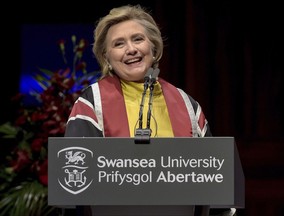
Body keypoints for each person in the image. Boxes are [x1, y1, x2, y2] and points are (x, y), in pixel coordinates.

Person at [64, 4, 236, 216]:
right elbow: (73, 185)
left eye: (138, 39)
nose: (131, 49)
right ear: (106, 57)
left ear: (153, 47)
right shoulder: (91, 103)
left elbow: (214, 185)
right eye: (119, 44)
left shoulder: (187, 105)